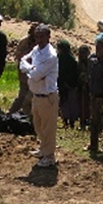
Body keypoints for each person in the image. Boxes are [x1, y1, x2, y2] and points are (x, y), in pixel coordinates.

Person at [19, 24, 60, 167]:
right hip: (36, 95)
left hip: (47, 97)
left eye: (42, 36)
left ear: (48, 37)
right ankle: (43, 149)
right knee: (38, 125)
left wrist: (31, 70)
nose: (39, 39)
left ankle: (49, 156)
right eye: (37, 36)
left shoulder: (51, 55)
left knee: (48, 128)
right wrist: (32, 69)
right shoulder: (36, 50)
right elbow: (23, 61)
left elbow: (35, 74)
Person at [8, 23, 41, 114]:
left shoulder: (40, 42)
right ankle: (11, 113)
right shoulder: (24, 41)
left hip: (36, 74)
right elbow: (18, 55)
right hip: (24, 73)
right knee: (22, 96)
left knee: (32, 97)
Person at [87, 37, 103, 154]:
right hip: (94, 95)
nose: (97, 50)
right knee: (94, 122)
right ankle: (93, 144)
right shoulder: (94, 61)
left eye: (99, 48)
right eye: (96, 48)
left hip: (102, 96)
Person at [57, 40, 82, 129]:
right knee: (70, 103)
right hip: (70, 85)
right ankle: (70, 122)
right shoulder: (71, 58)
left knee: (66, 103)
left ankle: (67, 122)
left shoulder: (62, 59)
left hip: (66, 85)